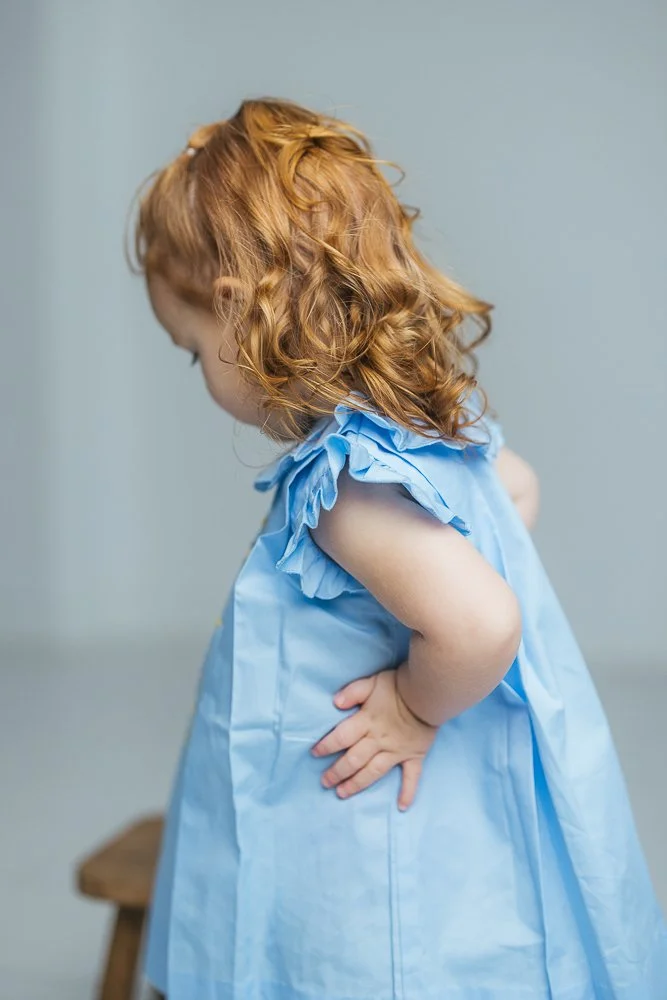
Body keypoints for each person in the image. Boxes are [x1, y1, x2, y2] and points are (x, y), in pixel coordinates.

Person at [127, 96, 667, 999]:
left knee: (369, 962)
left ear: (233, 313)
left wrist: (416, 705)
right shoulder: (428, 431)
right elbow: (516, 493)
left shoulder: (344, 483)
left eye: (192, 349)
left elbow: (482, 620)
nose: (196, 367)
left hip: (362, 824)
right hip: (466, 805)